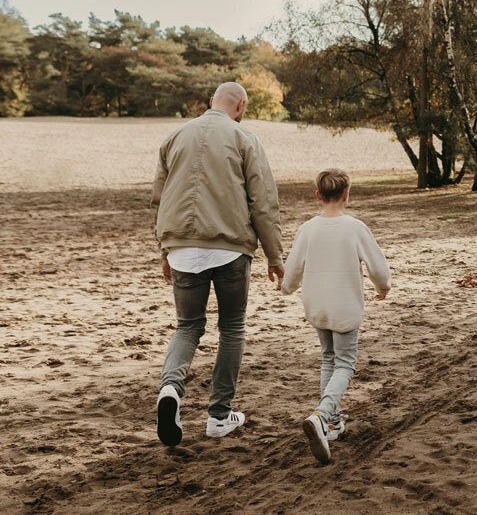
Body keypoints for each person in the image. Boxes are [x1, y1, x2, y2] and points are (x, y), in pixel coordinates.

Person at [151, 81, 284, 446]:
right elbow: (263, 202)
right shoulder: (245, 139)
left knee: (187, 327)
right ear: (240, 105)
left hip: (181, 248)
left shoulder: (175, 136)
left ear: (211, 102)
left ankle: (170, 391)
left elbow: (159, 199)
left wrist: (166, 249)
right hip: (229, 249)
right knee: (232, 328)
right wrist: (274, 255)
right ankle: (219, 416)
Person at [281, 168, 391, 465]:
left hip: (317, 306)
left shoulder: (308, 228)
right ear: (346, 195)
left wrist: (287, 288)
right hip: (344, 306)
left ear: (318, 195)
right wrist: (383, 288)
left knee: (329, 358)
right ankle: (320, 416)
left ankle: (330, 424)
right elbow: (378, 267)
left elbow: (292, 269)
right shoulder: (355, 227)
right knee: (344, 364)